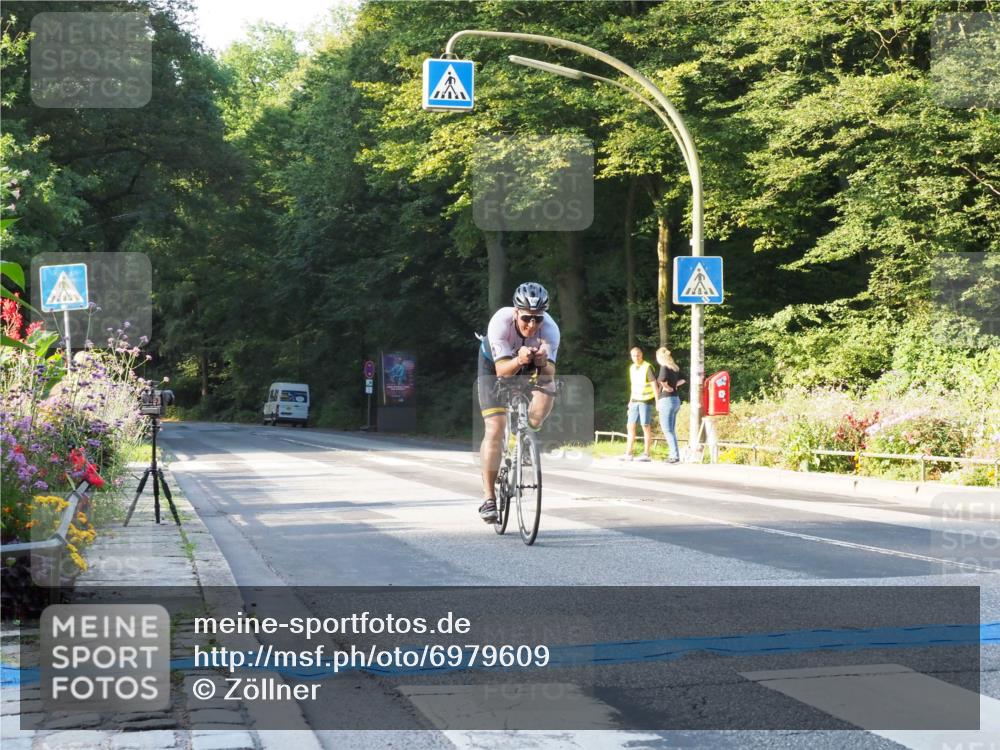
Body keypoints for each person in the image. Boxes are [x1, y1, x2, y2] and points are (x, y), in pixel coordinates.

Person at [476, 282, 560, 522]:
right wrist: (519, 360)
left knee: (549, 387)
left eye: (538, 319)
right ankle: (489, 498)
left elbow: (549, 375)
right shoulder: (500, 322)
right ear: (516, 312)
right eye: (526, 318)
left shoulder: (551, 330)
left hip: (529, 361)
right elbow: (502, 371)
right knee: (495, 427)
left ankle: (525, 435)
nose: (532, 325)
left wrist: (543, 362)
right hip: (494, 365)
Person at [623, 347, 655, 461]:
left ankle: (646, 454)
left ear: (642, 355)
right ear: (631, 357)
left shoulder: (647, 367)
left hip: (645, 401)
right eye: (634, 356)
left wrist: (658, 401)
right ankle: (628, 453)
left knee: (645, 426)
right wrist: (630, 401)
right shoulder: (632, 368)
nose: (636, 358)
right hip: (635, 400)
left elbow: (654, 385)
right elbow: (633, 386)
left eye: (638, 355)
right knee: (630, 425)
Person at [655, 347, 686, 463]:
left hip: (667, 400)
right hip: (676, 400)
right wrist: (675, 385)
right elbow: (684, 379)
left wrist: (667, 387)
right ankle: (674, 455)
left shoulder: (664, 367)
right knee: (671, 430)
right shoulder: (675, 367)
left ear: (659, 357)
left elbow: (661, 379)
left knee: (667, 430)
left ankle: (674, 456)